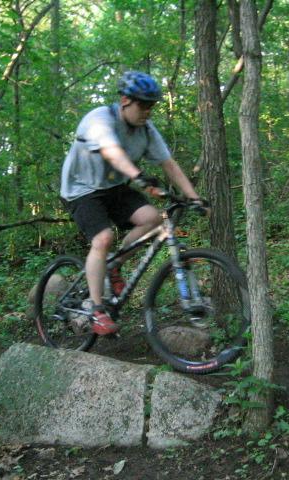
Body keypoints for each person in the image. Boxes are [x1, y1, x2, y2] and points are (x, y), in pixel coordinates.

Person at [60, 71, 205, 336]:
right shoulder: (99, 119)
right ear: (125, 100)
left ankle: (113, 266)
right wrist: (138, 176)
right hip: (81, 190)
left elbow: (168, 164)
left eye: (152, 106)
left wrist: (194, 198)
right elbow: (112, 153)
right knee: (103, 239)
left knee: (153, 219)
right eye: (143, 104)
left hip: (113, 187)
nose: (148, 111)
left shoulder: (146, 131)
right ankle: (97, 309)